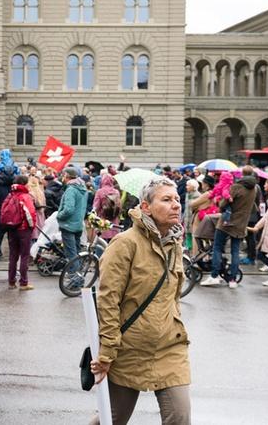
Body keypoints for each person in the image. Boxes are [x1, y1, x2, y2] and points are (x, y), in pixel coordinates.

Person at [90, 177, 190, 425]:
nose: (176, 205)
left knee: (179, 418)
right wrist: (108, 350)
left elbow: (172, 297)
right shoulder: (125, 243)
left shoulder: (174, 243)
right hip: (128, 350)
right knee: (111, 420)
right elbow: (108, 300)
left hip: (170, 348)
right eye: (166, 200)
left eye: (176, 199)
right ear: (146, 207)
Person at [201, 166, 257, 289]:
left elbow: (223, 204)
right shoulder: (254, 189)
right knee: (235, 251)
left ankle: (214, 276)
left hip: (226, 223)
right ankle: (232, 280)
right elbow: (253, 207)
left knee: (217, 247)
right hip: (241, 224)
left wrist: (218, 203)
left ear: (242, 175)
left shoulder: (236, 187)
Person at [5, 175, 37, 290]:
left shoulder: (10, 195)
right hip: (23, 229)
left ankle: (11, 282)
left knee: (13, 256)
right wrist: (32, 226)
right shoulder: (25, 196)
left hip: (11, 228)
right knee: (24, 256)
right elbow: (31, 213)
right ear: (24, 184)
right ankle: (24, 282)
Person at [57, 167, 88, 265]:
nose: (62, 177)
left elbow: (68, 210)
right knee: (76, 253)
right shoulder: (82, 188)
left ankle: (75, 279)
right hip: (78, 225)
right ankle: (78, 276)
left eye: (63, 175)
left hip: (68, 225)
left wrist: (59, 216)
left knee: (71, 255)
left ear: (66, 176)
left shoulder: (71, 189)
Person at [92, 173, 121, 242]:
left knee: (101, 245)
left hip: (103, 221)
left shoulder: (100, 192)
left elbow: (95, 207)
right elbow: (119, 206)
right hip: (114, 222)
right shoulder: (116, 192)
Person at [183, 179, 200, 252]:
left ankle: (194, 249)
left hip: (193, 217)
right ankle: (188, 247)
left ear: (193, 186)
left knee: (193, 233)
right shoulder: (187, 194)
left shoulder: (197, 195)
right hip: (187, 217)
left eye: (188, 185)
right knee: (187, 233)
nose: (186, 187)